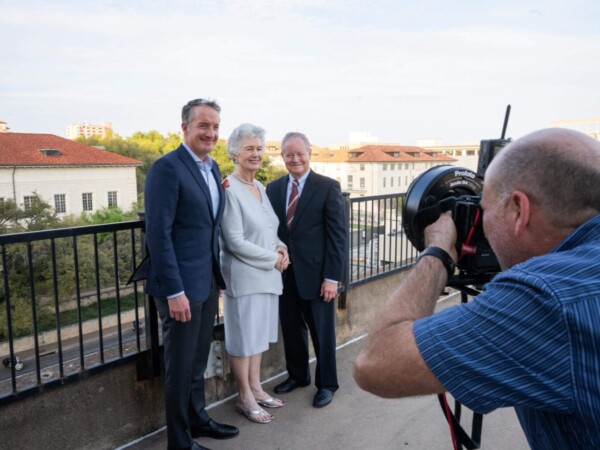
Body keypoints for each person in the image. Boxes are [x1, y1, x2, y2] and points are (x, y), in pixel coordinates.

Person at [353, 128, 600, 448]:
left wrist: (438, 252)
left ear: (519, 210)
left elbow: (374, 363)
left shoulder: (545, 299)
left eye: (483, 207)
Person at [144, 98, 239, 450]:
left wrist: (214, 280)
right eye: (203, 125)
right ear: (184, 128)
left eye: (215, 126)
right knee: (180, 367)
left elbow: (207, 225)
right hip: (179, 288)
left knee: (197, 361)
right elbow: (159, 234)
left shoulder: (211, 168)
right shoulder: (166, 168)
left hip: (204, 282)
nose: (210, 132)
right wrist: (173, 292)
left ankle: (198, 419)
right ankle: (179, 442)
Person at [266, 131, 347, 408]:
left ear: (310, 154)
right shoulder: (273, 189)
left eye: (300, 153)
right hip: (284, 274)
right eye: (289, 154)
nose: (295, 159)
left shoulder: (327, 187)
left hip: (317, 276)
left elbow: (338, 237)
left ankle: (327, 384)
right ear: (283, 157)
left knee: (322, 333)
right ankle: (298, 376)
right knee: (291, 329)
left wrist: (332, 278)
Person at [219, 123, 289, 424]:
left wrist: (282, 248)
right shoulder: (229, 188)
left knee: (258, 336)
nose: (256, 154)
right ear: (234, 152)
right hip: (245, 277)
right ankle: (244, 396)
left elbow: (270, 229)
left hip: (267, 275)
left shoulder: (259, 186)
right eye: (249, 148)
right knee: (243, 339)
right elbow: (234, 241)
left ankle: (257, 387)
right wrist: (272, 258)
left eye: (259, 148)